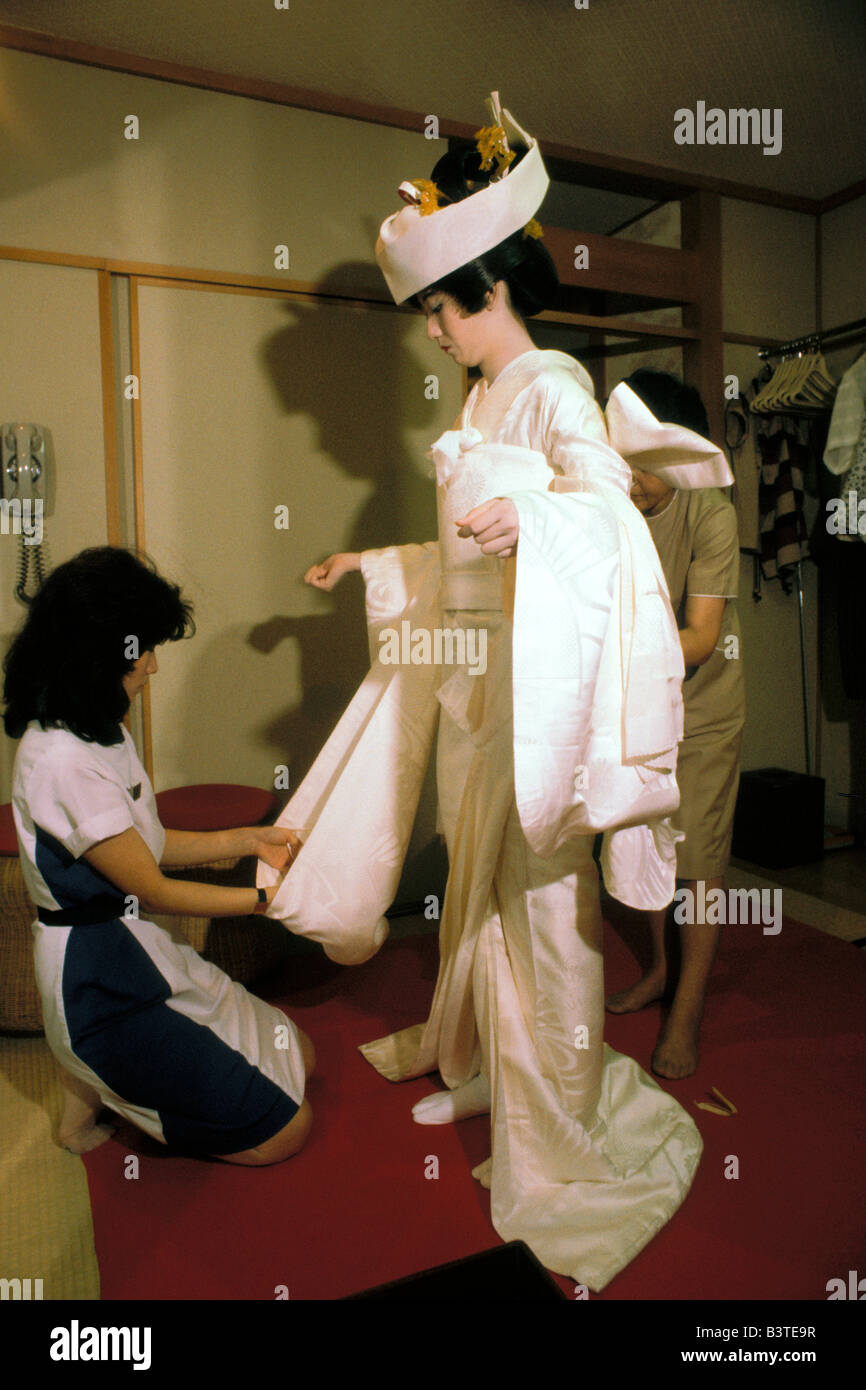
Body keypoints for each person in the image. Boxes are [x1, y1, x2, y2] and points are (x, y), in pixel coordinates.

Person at [262, 95, 705, 1291]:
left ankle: (556, 1131)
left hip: (542, 693)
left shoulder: (555, 385)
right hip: (483, 675)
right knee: (476, 885)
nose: (435, 337)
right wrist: (377, 562)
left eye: (442, 313)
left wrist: (544, 513)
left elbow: (613, 513)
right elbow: (466, 551)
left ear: (487, 292)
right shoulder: (476, 400)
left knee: (551, 917)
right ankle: (479, 1069)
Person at [4, 546, 313, 1165]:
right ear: (96, 655)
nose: (152, 665)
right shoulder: (61, 760)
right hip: (94, 981)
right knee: (285, 1132)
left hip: (133, 949)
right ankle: (100, 1079)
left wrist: (246, 840)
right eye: (141, 649)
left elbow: (147, 842)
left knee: (297, 1049)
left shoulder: (101, 725)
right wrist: (264, 902)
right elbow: (156, 888)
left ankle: (99, 1084)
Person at [606, 369, 746, 1079]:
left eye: (641, 464)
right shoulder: (615, 502)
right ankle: (661, 969)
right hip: (640, 703)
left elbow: (699, 635)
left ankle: (687, 1008)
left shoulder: (711, 513)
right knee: (646, 847)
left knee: (696, 862)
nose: (627, 478)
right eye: (620, 460)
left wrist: (617, 655)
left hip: (706, 705)